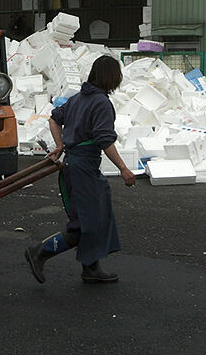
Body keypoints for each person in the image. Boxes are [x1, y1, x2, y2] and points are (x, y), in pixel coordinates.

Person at [25, 55, 136, 284]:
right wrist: (124, 169)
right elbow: (105, 140)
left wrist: (60, 145)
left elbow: (54, 119)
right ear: (113, 78)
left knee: (94, 217)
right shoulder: (101, 103)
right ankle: (40, 251)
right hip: (83, 168)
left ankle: (91, 267)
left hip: (74, 165)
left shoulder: (78, 99)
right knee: (85, 223)